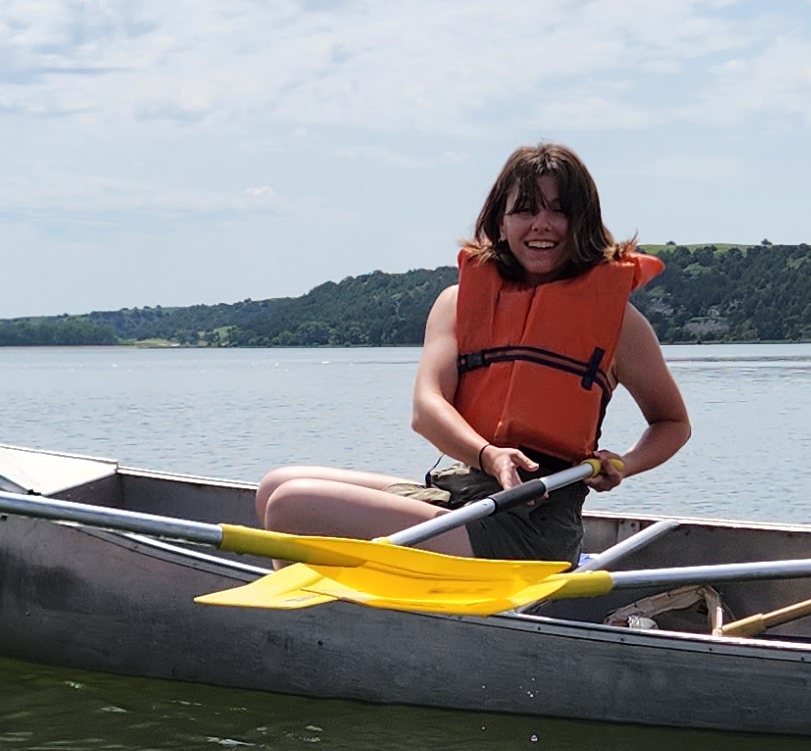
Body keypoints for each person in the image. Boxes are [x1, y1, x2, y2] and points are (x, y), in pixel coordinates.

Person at [253, 144, 691, 561]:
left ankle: (319, 621)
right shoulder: (456, 303)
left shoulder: (619, 322)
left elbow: (672, 423)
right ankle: (341, 607)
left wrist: (624, 465)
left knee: (291, 505)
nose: (542, 224)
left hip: (527, 528)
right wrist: (489, 455)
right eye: (525, 209)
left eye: (560, 211)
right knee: (274, 485)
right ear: (499, 222)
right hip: (459, 497)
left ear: (584, 223)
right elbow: (427, 410)